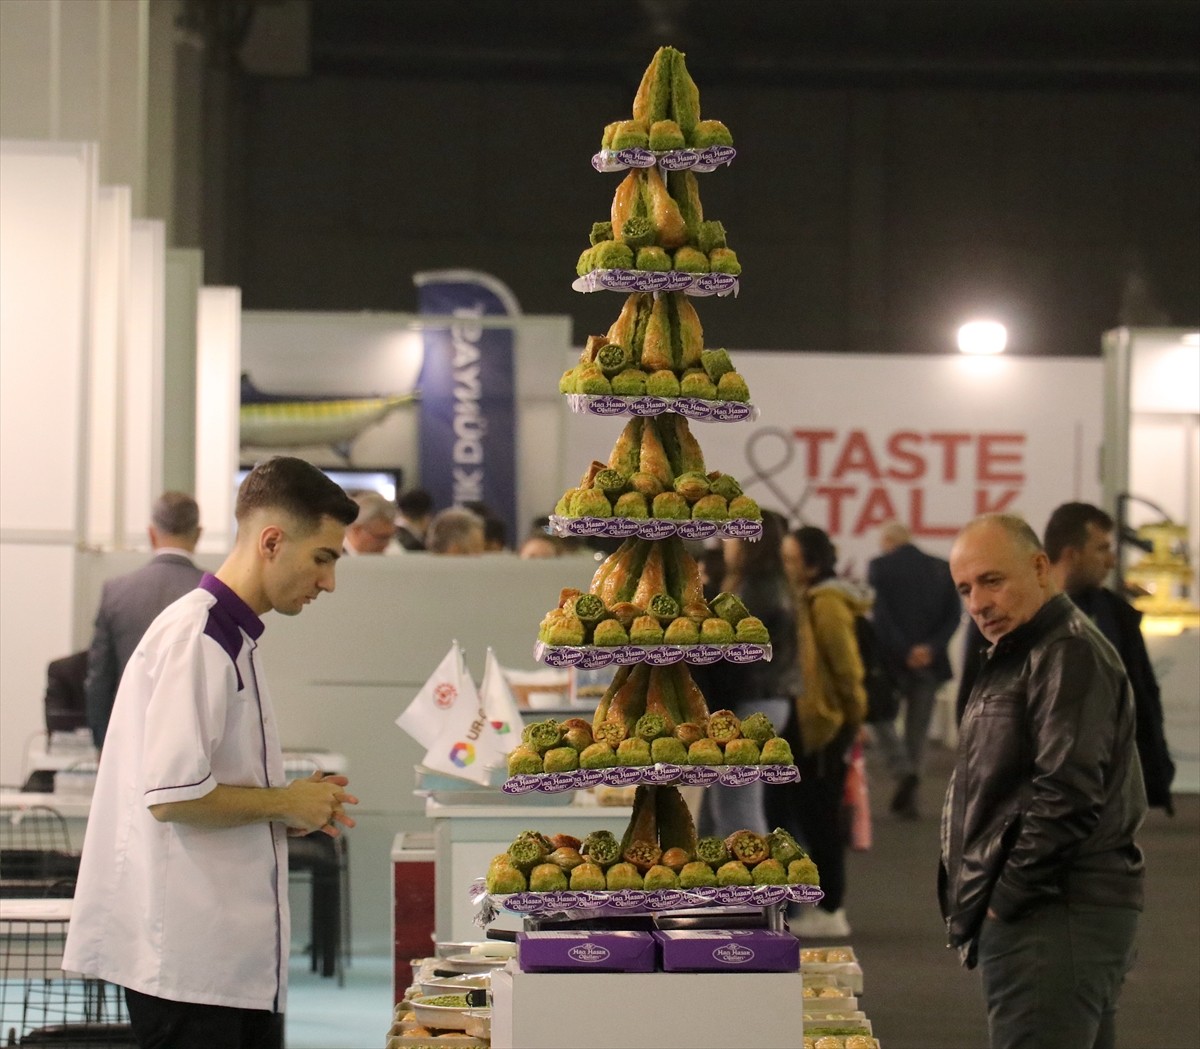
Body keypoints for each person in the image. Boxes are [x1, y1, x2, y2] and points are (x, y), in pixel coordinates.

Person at [62, 456, 361, 1049]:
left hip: (221, 966)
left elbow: (206, 782)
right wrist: (283, 801)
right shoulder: (197, 637)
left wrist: (292, 805)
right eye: (323, 558)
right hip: (187, 969)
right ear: (272, 541)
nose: (328, 581)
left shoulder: (230, 635)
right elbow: (173, 798)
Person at [940, 514, 1144, 1049]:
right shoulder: (1032, 650)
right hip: (1056, 912)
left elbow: (1067, 795)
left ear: (1039, 568)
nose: (977, 603)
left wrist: (1004, 901)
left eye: (991, 580)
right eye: (965, 589)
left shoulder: (1065, 651)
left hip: (1053, 915)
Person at [766, 525, 869, 938]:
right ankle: (817, 905)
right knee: (801, 815)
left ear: (811, 566)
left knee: (822, 821)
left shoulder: (826, 604)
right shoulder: (806, 600)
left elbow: (847, 671)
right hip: (805, 727)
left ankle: (831, 909)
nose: (785, 568)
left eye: (792, 560)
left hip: (823, 729)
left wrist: (849, 724)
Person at [1044, 501, 1175, 814]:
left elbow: (1144, 696)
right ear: (1071, 553)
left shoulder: (1117, 616)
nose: (1111, 561)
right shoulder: (1022, 612)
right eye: (1101, 549)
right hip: (1042, 782)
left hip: (1109, 782)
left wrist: (1157, 766)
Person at [696, 513, 799, 840]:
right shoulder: (770, 585)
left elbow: (735, 656)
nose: (724, 543)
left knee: (738, 809)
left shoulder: (754, 591)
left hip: (752, 702)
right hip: (767, 699)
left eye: (730, 536)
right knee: (729, 804)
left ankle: (757, 886)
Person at [83, 492, 205, 748]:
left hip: (130, 740)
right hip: (193, 746)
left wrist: (104, 746)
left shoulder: (116, 591)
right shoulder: (214, 593)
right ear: (198, 534)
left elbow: (99, 682)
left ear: (151, 534)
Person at [866, 521, 963, 818]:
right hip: (931, 663)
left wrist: (905, 649)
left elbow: (880, 615)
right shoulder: (942, 568)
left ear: (889, 541)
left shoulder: (880, 567)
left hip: (892, 662)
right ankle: (911, 800)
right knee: (917, 732)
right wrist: (930, 648)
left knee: (879, 716)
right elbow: (954, 615)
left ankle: (902, 769)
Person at [343, 490, 398, 554]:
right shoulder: (334, 555)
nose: (387, 545)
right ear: (357, 529)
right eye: (381, 538)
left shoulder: (395, 553)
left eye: (389, 537)